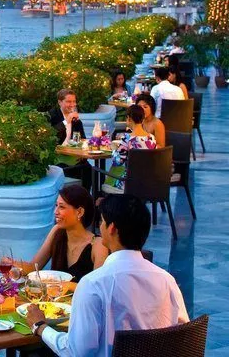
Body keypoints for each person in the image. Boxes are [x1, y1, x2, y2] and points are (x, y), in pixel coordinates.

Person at [26, 195, 188, 356]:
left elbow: (75, 352)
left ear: (112, 228)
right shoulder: (167, 280)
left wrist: (40, 327)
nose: (99, 227)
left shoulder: (93, 284)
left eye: (102, 221)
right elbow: (183, 334)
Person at [18, 186, 107, 283]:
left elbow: (97, 287)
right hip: (52, 297)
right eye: (56, 206)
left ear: (80, 212)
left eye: (62, 207)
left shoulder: (98, 245)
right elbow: (33, 268)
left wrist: (64, 286)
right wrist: (13, 266)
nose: (55, 212)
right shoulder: (57, 231)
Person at [103, 105, 157, 193]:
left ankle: (102, 200)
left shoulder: (128, 138)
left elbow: (117, 161)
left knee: (110, 172)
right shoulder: (151, 138)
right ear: (142, 118)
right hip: (147, 182)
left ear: (129, 118)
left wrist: (113, 149)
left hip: (129, 183)